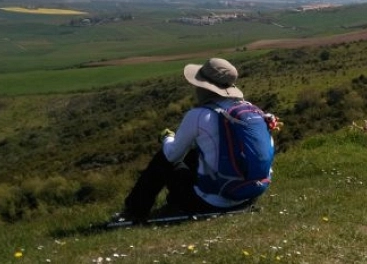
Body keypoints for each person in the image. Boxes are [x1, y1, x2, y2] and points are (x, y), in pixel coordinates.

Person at [114, 58, 276, 223]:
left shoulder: (199, 115)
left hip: (210, 203)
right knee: (193, 154)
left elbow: (172, 155)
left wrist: (167, 137)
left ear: (205, 87)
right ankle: (169, 204)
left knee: (163, 158)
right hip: (247, 196)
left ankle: (134, 211)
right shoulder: (251, 110)